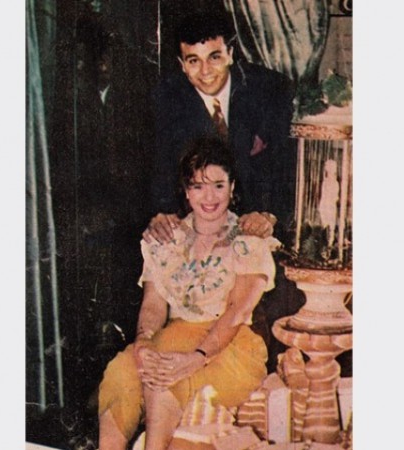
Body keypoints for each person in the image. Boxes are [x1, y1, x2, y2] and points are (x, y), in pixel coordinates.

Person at [98, 136, 281, 450]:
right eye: (198, 186)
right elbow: (153, 305)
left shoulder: (248, 239)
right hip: (173, 336)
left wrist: (197, 358)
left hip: (229, 345)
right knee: (120, 373)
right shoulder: (166, 238)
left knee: (164, 378)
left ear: (232, 187)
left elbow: (237, 311)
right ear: (186, 190)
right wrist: (143, 343)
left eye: (218, 185)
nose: (209, 197)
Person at [145, 10, 297, 245]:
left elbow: (287, 162)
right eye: (193, 61)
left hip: (259, 224)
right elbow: (158, 165)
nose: (205, 71)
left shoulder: (270, 89)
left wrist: (270, 214)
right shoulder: (165, 98)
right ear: (182, 65)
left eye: (214, 57)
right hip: (199, 228)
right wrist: (161, 211)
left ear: (230, 54)